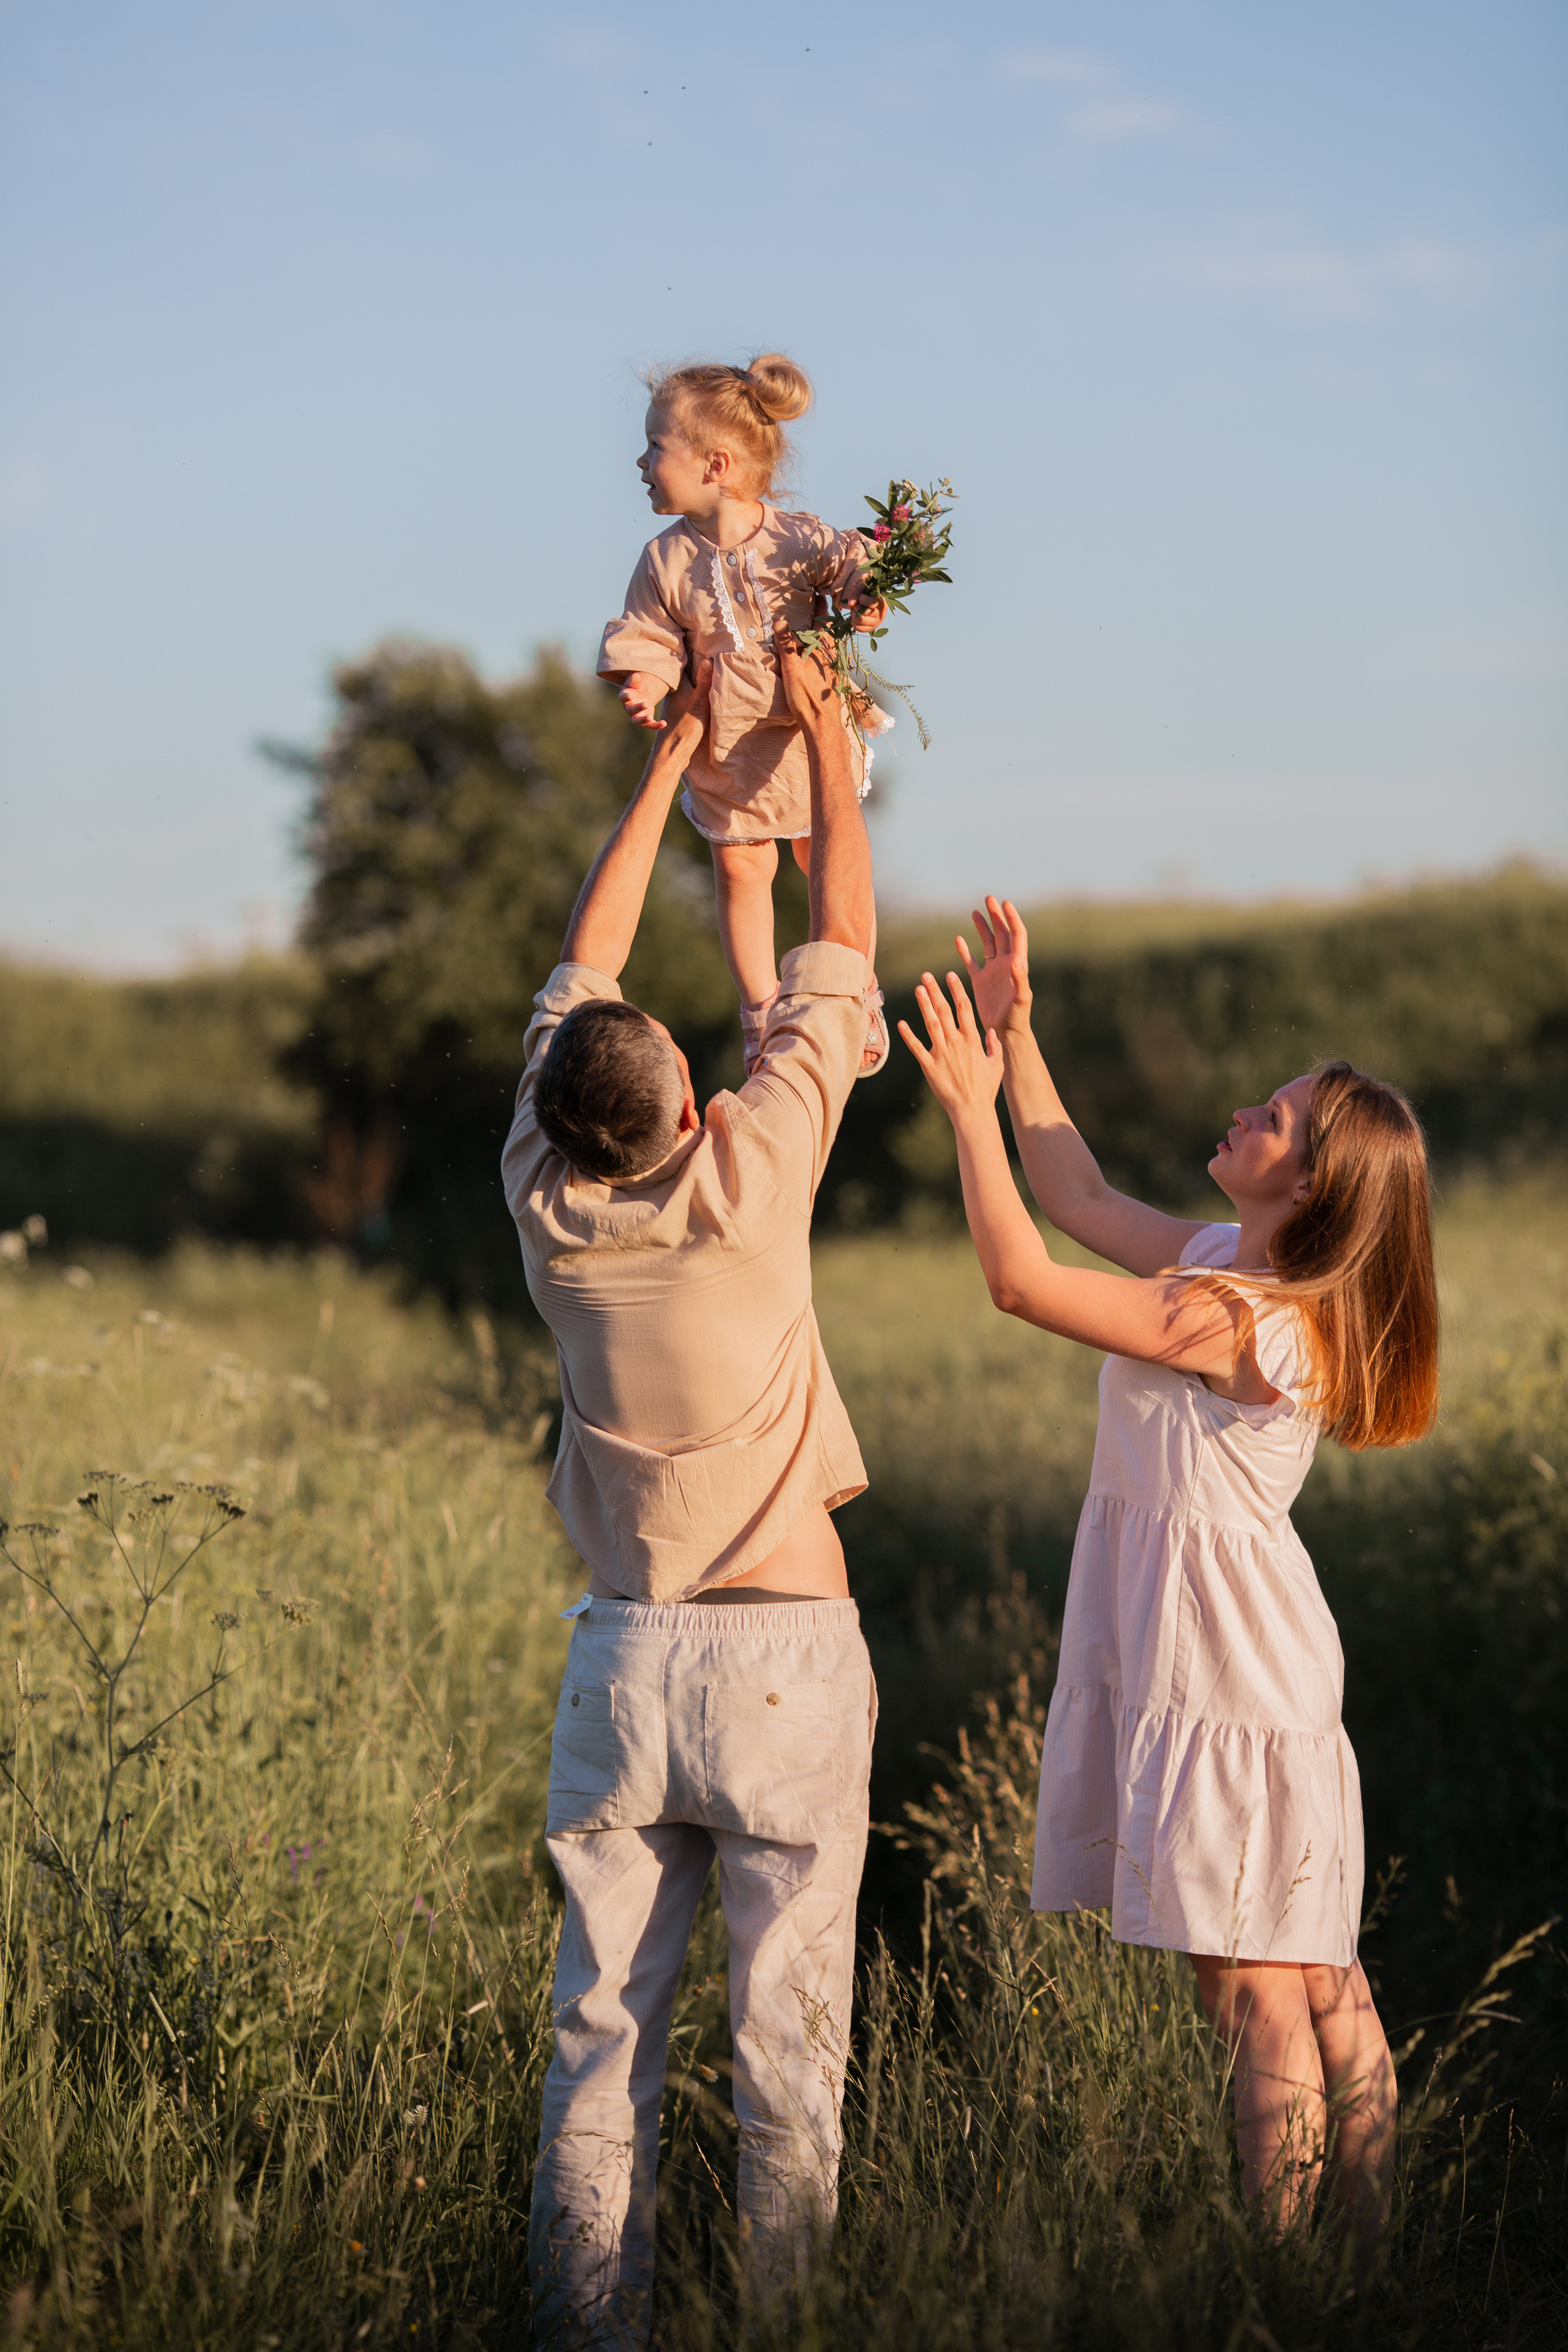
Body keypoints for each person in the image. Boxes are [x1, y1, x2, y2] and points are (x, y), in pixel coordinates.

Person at [898, 897, 1439, 2258]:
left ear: (1304, 1184)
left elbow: (1021, 1279)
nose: (1237, 1117)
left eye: (1267, 1117)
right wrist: (1017, 1039)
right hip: (1244, 1657)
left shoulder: (1239, 1320)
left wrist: (964, 1109)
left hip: (1228, 1677)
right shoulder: (1222, 1269)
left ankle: (1287, 2288)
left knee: (1254, 1992)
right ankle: (1368, 2268)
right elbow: (1074, 1196)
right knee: (1313, 1978)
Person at [501, 626, 880, 2345]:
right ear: (691, 1111)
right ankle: (790, 2327)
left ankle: (590, 2329)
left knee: (603, 2033)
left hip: (624, 1654)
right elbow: (837, 954)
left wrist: (667, 762)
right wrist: (819, 754)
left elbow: (583, 970)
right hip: (787, 1649)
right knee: (787, 2038)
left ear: (566, 1121)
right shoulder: (754, 1185)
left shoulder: (546, 1203)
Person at [598, 350, 890, 1076]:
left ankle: (854, 992)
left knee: (827, 855)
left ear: (716, 464)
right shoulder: (663, 560)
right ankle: (763, 1012)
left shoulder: (794, 538)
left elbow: (851, 568)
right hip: (726, 744)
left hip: (800, 729)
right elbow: (650, 631)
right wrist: (646, 678)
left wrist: (865, 594)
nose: (640, 461)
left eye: (655, 445)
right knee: (741, 872)